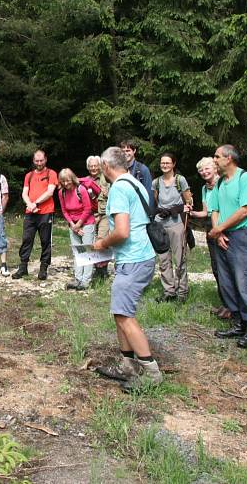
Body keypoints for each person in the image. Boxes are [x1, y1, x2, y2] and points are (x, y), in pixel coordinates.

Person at [91, 146, 163, 391]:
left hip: (133, 260)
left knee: (124, 315)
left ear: (105, 167)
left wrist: (102, 243)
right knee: (119, 311)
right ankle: (127, 364)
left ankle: (151, 372)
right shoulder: (135, 183)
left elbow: (122, 231)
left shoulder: (119, 188)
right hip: (137, 257)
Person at [208, 144, 247, 348]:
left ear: (228, 158)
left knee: (245, 281)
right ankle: (238, 323)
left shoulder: (245, 178)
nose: (214, 160)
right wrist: (218, 231)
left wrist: (219, 228)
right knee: (227, 281)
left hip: (241, 236)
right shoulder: (220, 182)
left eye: (217, 156)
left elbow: (244, 211)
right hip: (223, 236)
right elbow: (214, 209)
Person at [189, 157, 227, 318]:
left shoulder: (224, 184)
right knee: (216, 268)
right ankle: (225, 303)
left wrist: (221, 230)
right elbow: (206, 212)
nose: (204, 172)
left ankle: (231, 306)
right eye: (201, 170)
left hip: (223, 227)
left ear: (215, 168)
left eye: (207, 169)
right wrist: (191, 212)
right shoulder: (205, 188)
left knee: (226, 268)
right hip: (210, 228)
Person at [152, 153, 193, 303]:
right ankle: (169, 291)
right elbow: (156, 200)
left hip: (176, 223)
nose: (165, 165)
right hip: (160, 222)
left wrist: (184, 209)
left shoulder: (180, 180)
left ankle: (182, 291)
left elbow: (188, 200)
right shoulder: (156, 182)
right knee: (163, 259)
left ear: (173, 164)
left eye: (168, 163)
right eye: (162, 163)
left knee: (179, 258)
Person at [12, 150, 58, 280]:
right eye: (36, 161)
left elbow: (50, 192)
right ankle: (23, 267)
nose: (39, 163)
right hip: (30, 213)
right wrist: (30, 204)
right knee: (27, 239)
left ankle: (43, 268)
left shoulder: (51, 173)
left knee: (45, 241)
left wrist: (35, 203)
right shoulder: (29, 175)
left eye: (41, 160)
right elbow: (24, 193)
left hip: (46, 212)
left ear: (45, 159)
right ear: (33, 161)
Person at [57, 168, 95, 290]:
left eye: (68, 181)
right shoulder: (61, 192)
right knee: (77, 252)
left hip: (87, 223)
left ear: (72, 179)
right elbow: (64, 210)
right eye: (63, 181)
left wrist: (78, 224)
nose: (66, 184)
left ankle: (86, 281)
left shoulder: (81, 189)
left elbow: (87, 209)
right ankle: (78, 278)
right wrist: (73, 226)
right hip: (73, 225)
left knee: (87, 251)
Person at [84, 155, 111, 280]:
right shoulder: (85, 181)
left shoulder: (107, 178)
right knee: (91, 242)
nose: (93, 168)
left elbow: (115, 194)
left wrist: (107, 193)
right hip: (91, 216)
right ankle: (96, 268)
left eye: (95, 165)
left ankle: (103, 269)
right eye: (91, 166)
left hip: (105, 214)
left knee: (102, 240)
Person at [119, 139, 155, 208]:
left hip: (140, 210)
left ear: (134, 151)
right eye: (123, 151)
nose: (125, 153)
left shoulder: (143, 169)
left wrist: (149, 214)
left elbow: (149, 194)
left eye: (128, 151)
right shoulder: (118, 170)